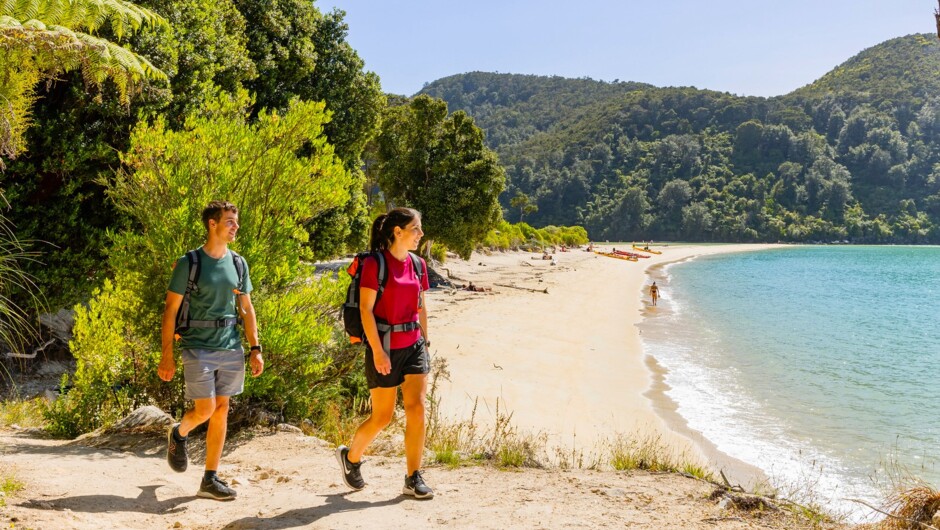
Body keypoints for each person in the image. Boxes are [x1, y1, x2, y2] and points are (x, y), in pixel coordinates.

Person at [159, 200, 264, 501]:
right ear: (212, 224)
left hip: (230, 346)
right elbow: (170, 311)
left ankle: (210, 479)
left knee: (222, 409)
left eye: (236, 221)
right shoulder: (189, 263)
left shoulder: (238, 263)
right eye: (230, 221)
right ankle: (179, 433)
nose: (235, 226)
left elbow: (246, 308)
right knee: (205, 409)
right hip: (197, 347)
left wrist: (255, 347)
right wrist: (166, 354)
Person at [336, 207, 434, 499]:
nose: (421, 234)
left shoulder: (418, 264)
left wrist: (426, 343)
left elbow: (421, 306)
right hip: (385, 347)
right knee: (383, 416)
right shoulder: (375, 265)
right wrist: (378, 352)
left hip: (414, 344)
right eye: (416, 229)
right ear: (398, 232)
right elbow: (365, 310)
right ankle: (351, 457)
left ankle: (413, 477)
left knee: (417, 408)